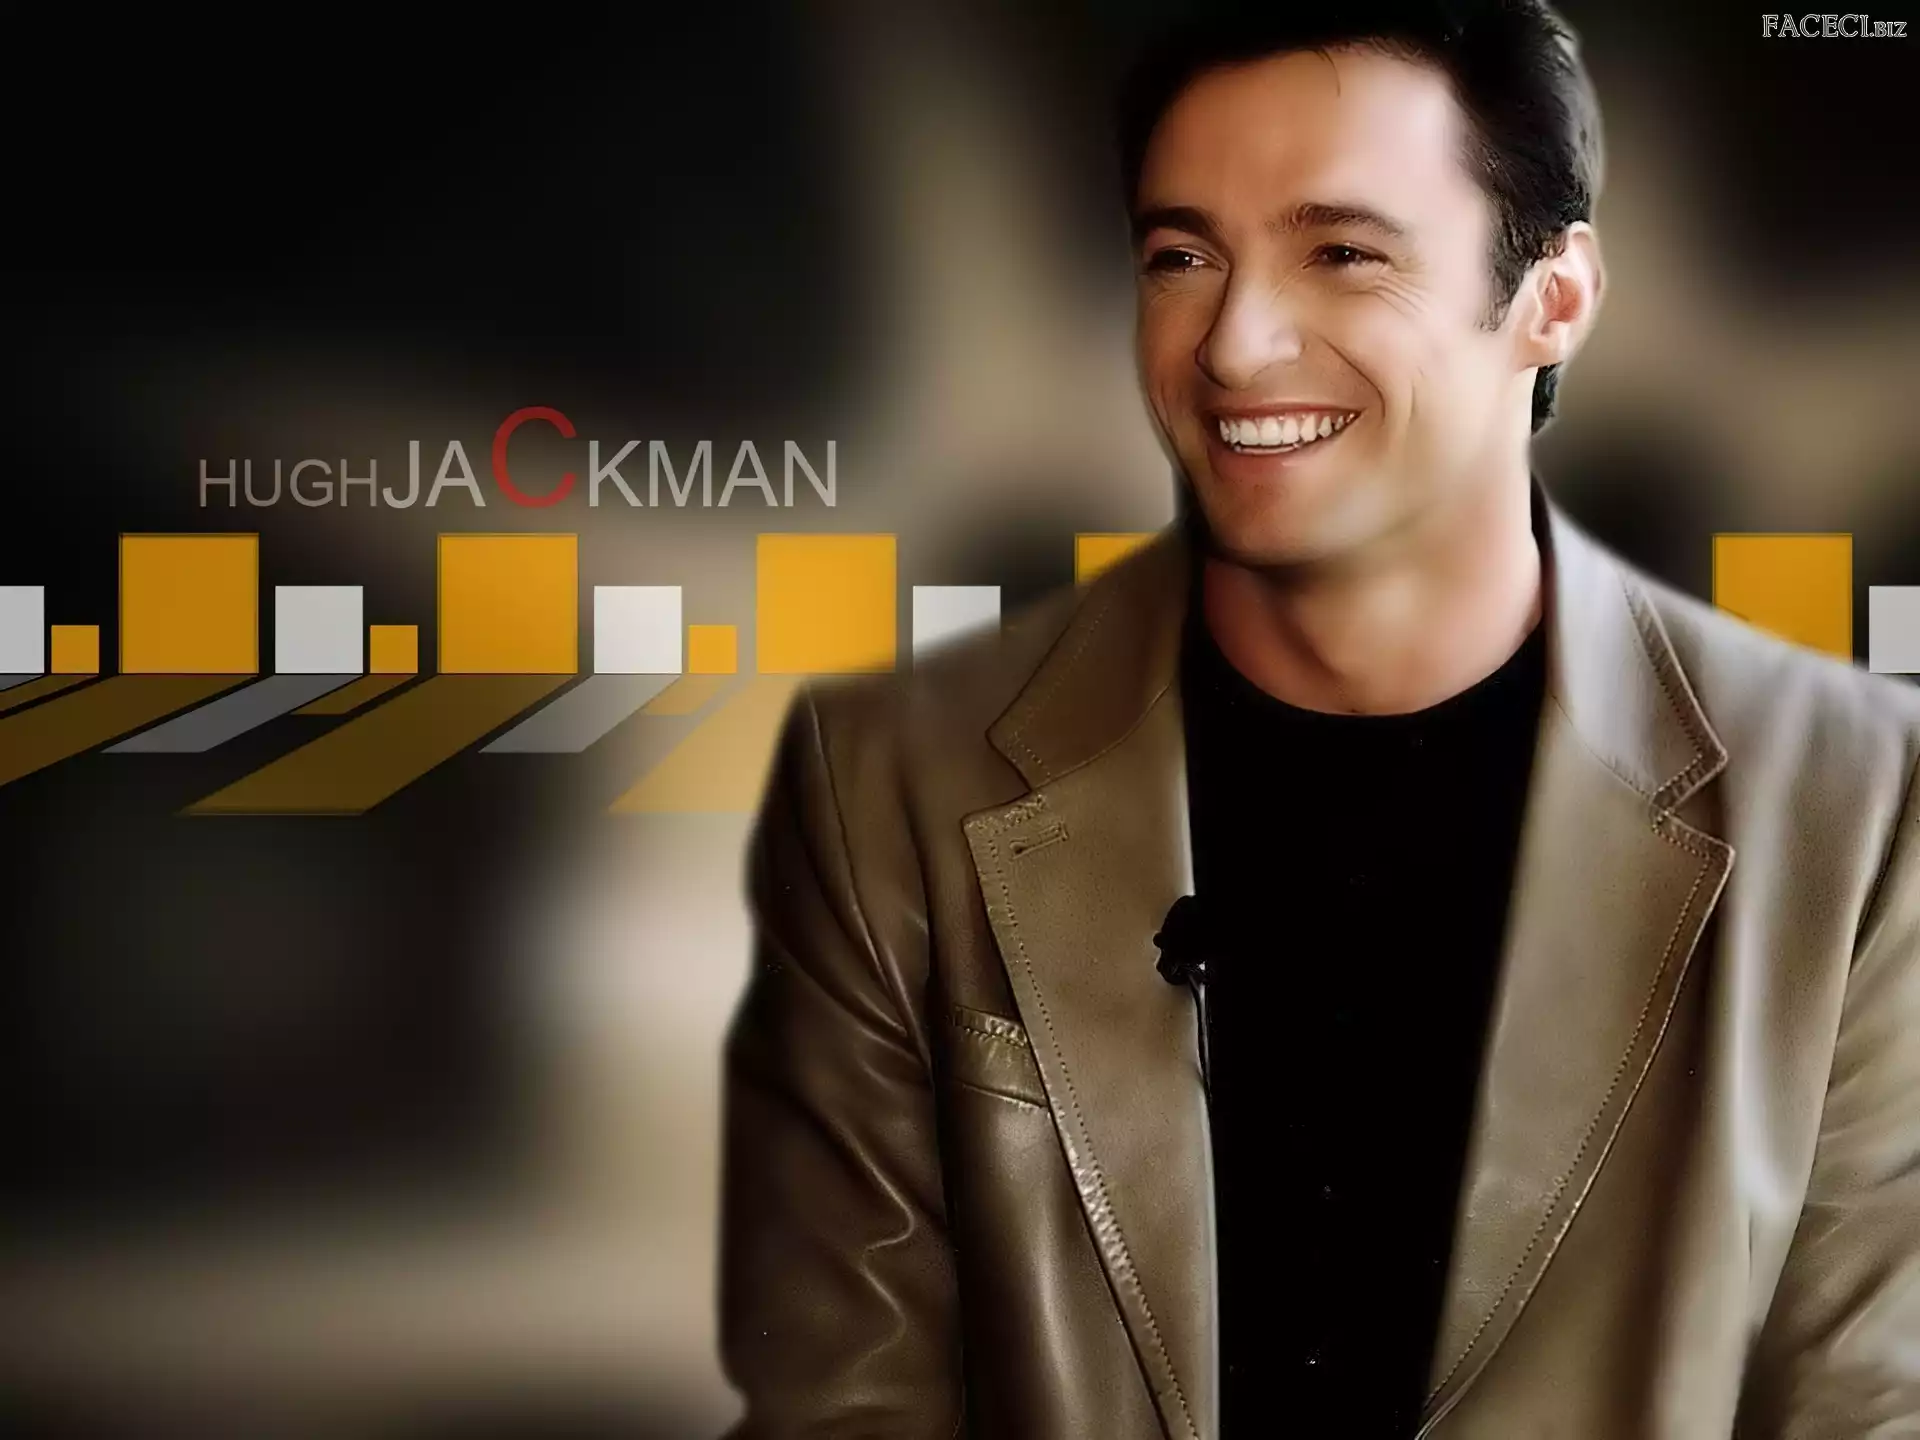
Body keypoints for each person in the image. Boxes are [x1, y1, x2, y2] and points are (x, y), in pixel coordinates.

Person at [716, 2, 1920, 1434]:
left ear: (1554, 298)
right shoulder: (889, 782)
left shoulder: (1855, 796)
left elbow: (1868, 1397)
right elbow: (846, 1401)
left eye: (1342, 253)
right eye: (1181, 257)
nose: (1233, 344)